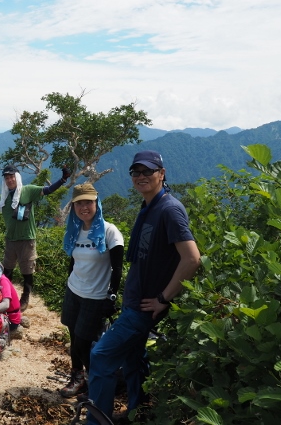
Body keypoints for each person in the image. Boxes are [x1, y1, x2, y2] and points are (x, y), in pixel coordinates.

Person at [84, 150, 201, 423]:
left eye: (148, 171)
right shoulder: (149, 206)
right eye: (136, 172)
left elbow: (192, 258)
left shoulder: (170, 210)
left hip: (144, 307)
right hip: (134, 302)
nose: (141, 176)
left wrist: (163, 298)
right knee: (134, 360)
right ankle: (139, 412)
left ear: (162, 174)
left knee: (100, 356)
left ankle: (97, 421)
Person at [0, 165, 71, 311]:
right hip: (10, 240)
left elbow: (47, 190)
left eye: (12, 176)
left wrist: (63, 179)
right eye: (7, 178)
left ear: (17, 177)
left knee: (27, 271)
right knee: (7, 270)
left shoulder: (28, 191)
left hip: (27, 239)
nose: (9, 180)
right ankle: (5, 296)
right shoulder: (4, 198)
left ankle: (25, 297)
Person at [58, 183, 124, 398]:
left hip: (95, 297)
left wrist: (111, 296)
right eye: (78, 203)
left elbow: (117, 268)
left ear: (97, 203)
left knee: (83, 343)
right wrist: (68, 283)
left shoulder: (109, 231)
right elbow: (73, 262)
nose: (83, 207)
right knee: (74, 337)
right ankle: (78, 378)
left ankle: (99, 381)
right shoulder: (75, 230)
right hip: (74, 291)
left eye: (88, 202)